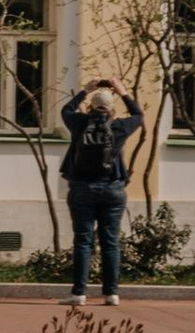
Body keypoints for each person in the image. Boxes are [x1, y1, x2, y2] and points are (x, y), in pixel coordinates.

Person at [59, 79, 145, 303]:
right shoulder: (119, 127)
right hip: (113, 190)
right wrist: (124, 92)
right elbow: (139, 116)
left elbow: (66, 110)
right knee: (110, 242)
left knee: (83, 241)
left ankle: (78, 293)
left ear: (90, 106)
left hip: (82, 189)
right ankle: (111, 293)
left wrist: (85, 90)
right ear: (111, 108)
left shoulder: (78, 123)